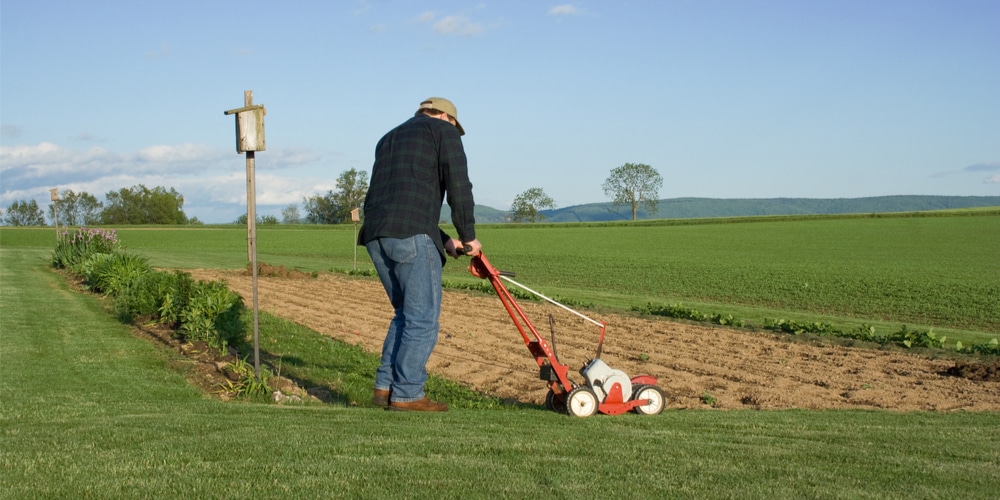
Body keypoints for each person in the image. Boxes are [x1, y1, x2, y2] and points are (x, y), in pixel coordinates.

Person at [358, 97, 482, 412]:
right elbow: (459, 186)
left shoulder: (389, 138)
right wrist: (469, 236)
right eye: (455, 124)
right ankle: (409, 394)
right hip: (410, 235)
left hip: (376, 234)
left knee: (404, 315)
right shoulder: (443, 130)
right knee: (422, 318)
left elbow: (397, 199)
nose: (454, 129)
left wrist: (444, 240)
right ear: (446, 117)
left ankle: (384, 389)